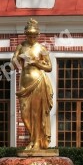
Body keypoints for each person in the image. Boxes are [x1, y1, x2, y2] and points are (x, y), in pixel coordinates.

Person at [12, 19, 53, 150]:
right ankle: (33, 138)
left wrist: (36, 63)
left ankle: (35, 142)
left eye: (34, 36)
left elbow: (49, 67)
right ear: (26, 34)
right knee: (24, 114)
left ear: (38, 35)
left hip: (38, 82)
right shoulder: (21, 46)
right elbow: (13, 61)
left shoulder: (42, 49)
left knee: (35, 113)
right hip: (24, 83)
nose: (31, 38)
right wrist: (18, 58)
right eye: (29, 35)